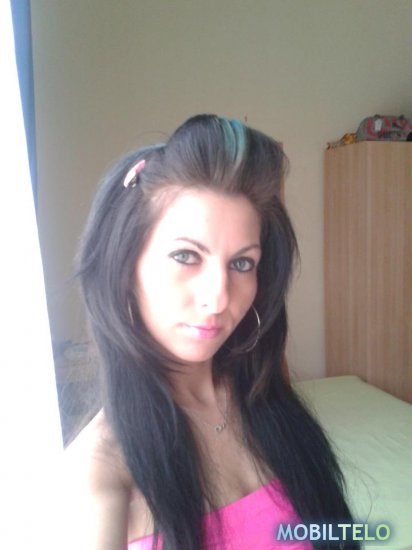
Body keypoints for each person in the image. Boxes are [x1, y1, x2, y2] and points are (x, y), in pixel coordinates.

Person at [67, 115, 359, 550]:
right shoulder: (101, 472)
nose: (219, 298)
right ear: (125, 268)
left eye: (242, 263)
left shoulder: (267, 404)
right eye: (186, 256)